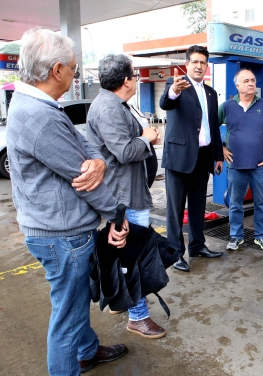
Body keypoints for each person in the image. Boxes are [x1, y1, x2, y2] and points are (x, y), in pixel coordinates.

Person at [7, 27, 129, 375]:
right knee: (68, 317)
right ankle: (72, 360)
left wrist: (100, 160)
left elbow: (84, 146)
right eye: (74, 68)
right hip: (62, 235)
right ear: (57, 70)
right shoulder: (39, 116)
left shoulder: (38, 103)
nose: (75, 74)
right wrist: (117, 216)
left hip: (56, 228)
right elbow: (83, 180)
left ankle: (87, 350)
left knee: (72, 304)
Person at [87, 54, 166, 339]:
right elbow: (124, 151)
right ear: (126, 80)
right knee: (134, 257)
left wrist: (145, 136)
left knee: (122, 254)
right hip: (124, 197)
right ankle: (138, 316)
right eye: (135, 74)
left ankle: (121, 301)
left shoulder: (117, 104)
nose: (137, 78)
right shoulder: (108, 108)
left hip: (129, 192)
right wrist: (147, 138)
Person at [159, 45, 224, 272]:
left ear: (206, 66)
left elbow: (213, 127)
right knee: (175, 209)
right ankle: (175, 253)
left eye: (202, 62)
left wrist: (218, 156)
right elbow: (165, 102)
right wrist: (174, 91)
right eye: (194, 62)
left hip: (203, 156)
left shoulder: (211, 93)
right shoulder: (175, 85)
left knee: (198, 206)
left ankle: (198, 245)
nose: (199, 66)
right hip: (178, 158)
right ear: (187, 64)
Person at [219, 69, 263, 251]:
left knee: (261, 203)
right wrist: (221, 149)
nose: (251, 83)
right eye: (246, 81)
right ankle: (236, 237)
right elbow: (211, 128)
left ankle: (261, 236)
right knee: (235, 204)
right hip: (236, 165)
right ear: (238, 86)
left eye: (253, 80)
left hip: (259, 165)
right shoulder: (227, 106)